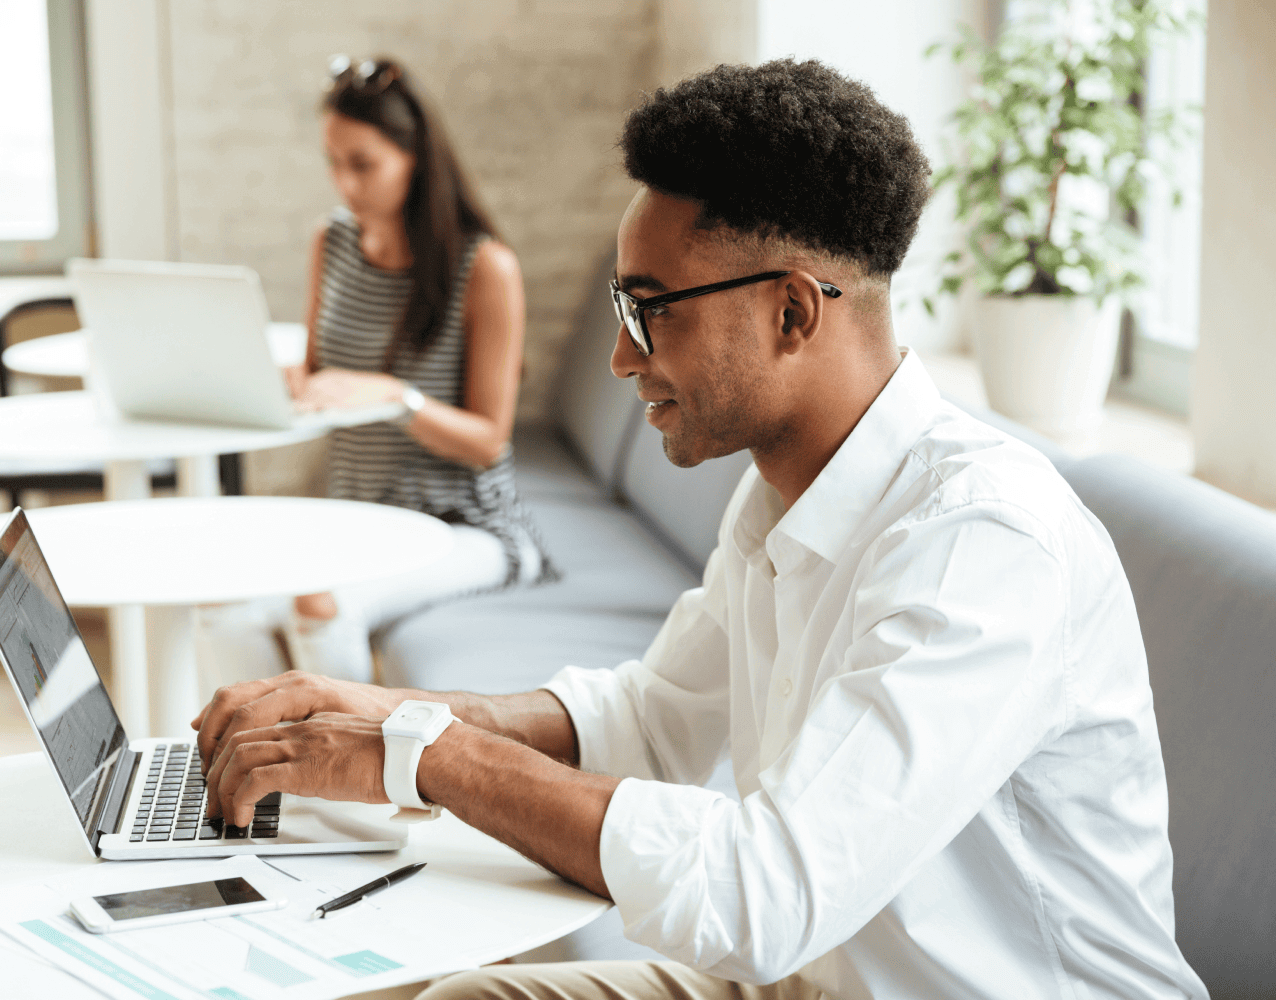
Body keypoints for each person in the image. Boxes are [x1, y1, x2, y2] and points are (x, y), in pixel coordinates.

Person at [189, 59, 1208, 1000]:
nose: (625, 360)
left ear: (794, 315)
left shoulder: (983, 545)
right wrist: (364, 715)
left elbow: (764, 891)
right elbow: (651, 720)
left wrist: (429, 753)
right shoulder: (778, 495)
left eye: (653, 310)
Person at [276, 55, 551, 682]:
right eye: (334, 162)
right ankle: (274, 777)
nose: (345, 184)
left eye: (363, 164)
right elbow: (320, 375)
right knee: (226, 606)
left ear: (415, 159)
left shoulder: (484, 269)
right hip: (358, 518)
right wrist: (294, 384)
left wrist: (397, 398)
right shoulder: (333, 243)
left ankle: (340, 779)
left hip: (466, 528)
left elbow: (488, 442)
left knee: (320, 605)